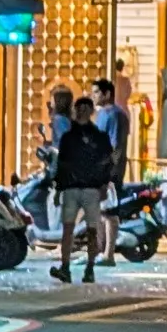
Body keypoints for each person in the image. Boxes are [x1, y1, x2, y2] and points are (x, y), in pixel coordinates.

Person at [51, 95, 115, 285]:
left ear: (90, 111)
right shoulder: (70, 138)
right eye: (80, 108)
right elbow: (62, 164)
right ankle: (68, 267)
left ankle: (87, 267)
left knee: (89, 230)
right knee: (71, 229)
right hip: (76, 188)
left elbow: (107, 163)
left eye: (85, 109)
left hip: (88, 189)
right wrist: (58, 189)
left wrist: (103, 184)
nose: (82, 112)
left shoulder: (95, 137)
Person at [90, 77, 128, 266]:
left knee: (109, 212)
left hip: (109, 171)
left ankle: (108, 254)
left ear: (107, 94)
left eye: (97, 92)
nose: (93, 96)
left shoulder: (114, 115)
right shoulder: (103, 115)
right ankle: (98, 250)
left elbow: (116, 147)